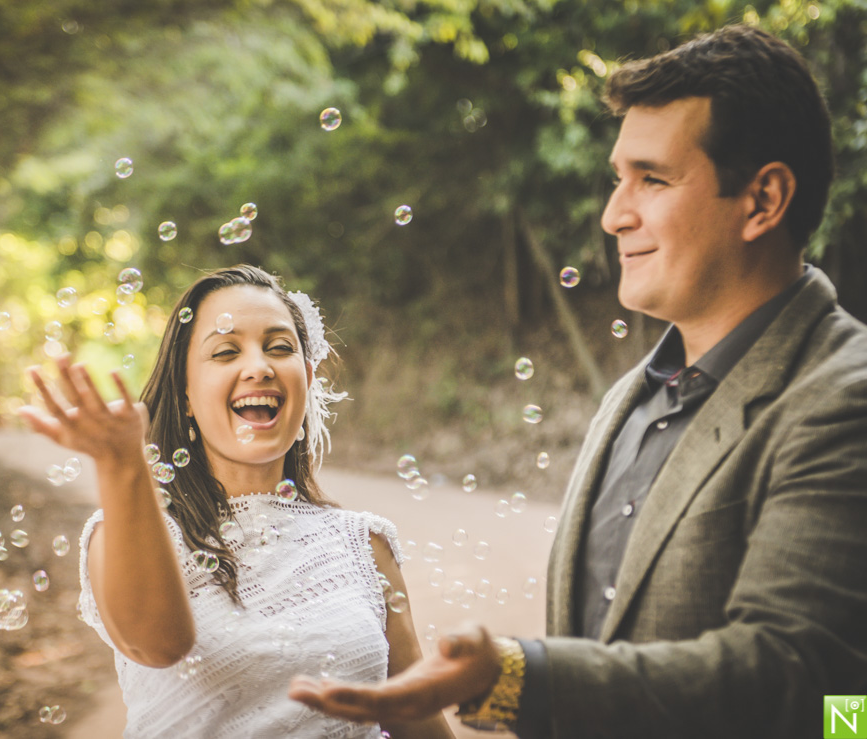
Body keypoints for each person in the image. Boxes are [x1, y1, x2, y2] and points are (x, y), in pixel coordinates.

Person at [289, 24, 867, 738]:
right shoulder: (628, 399)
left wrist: (515, 677)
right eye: (618, 178)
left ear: (763, 200)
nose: (613, 214)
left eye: (652, 179)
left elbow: (803, 680)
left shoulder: (844, 397)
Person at [21, 265, 454, 738]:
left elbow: (418, 720)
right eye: (226, 351)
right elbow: (159, 645)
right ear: (185, 394)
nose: (260, 366)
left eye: (280, 347)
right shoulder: (131, 532)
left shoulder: (364, 544)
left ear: (307, 379)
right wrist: (124, 465)